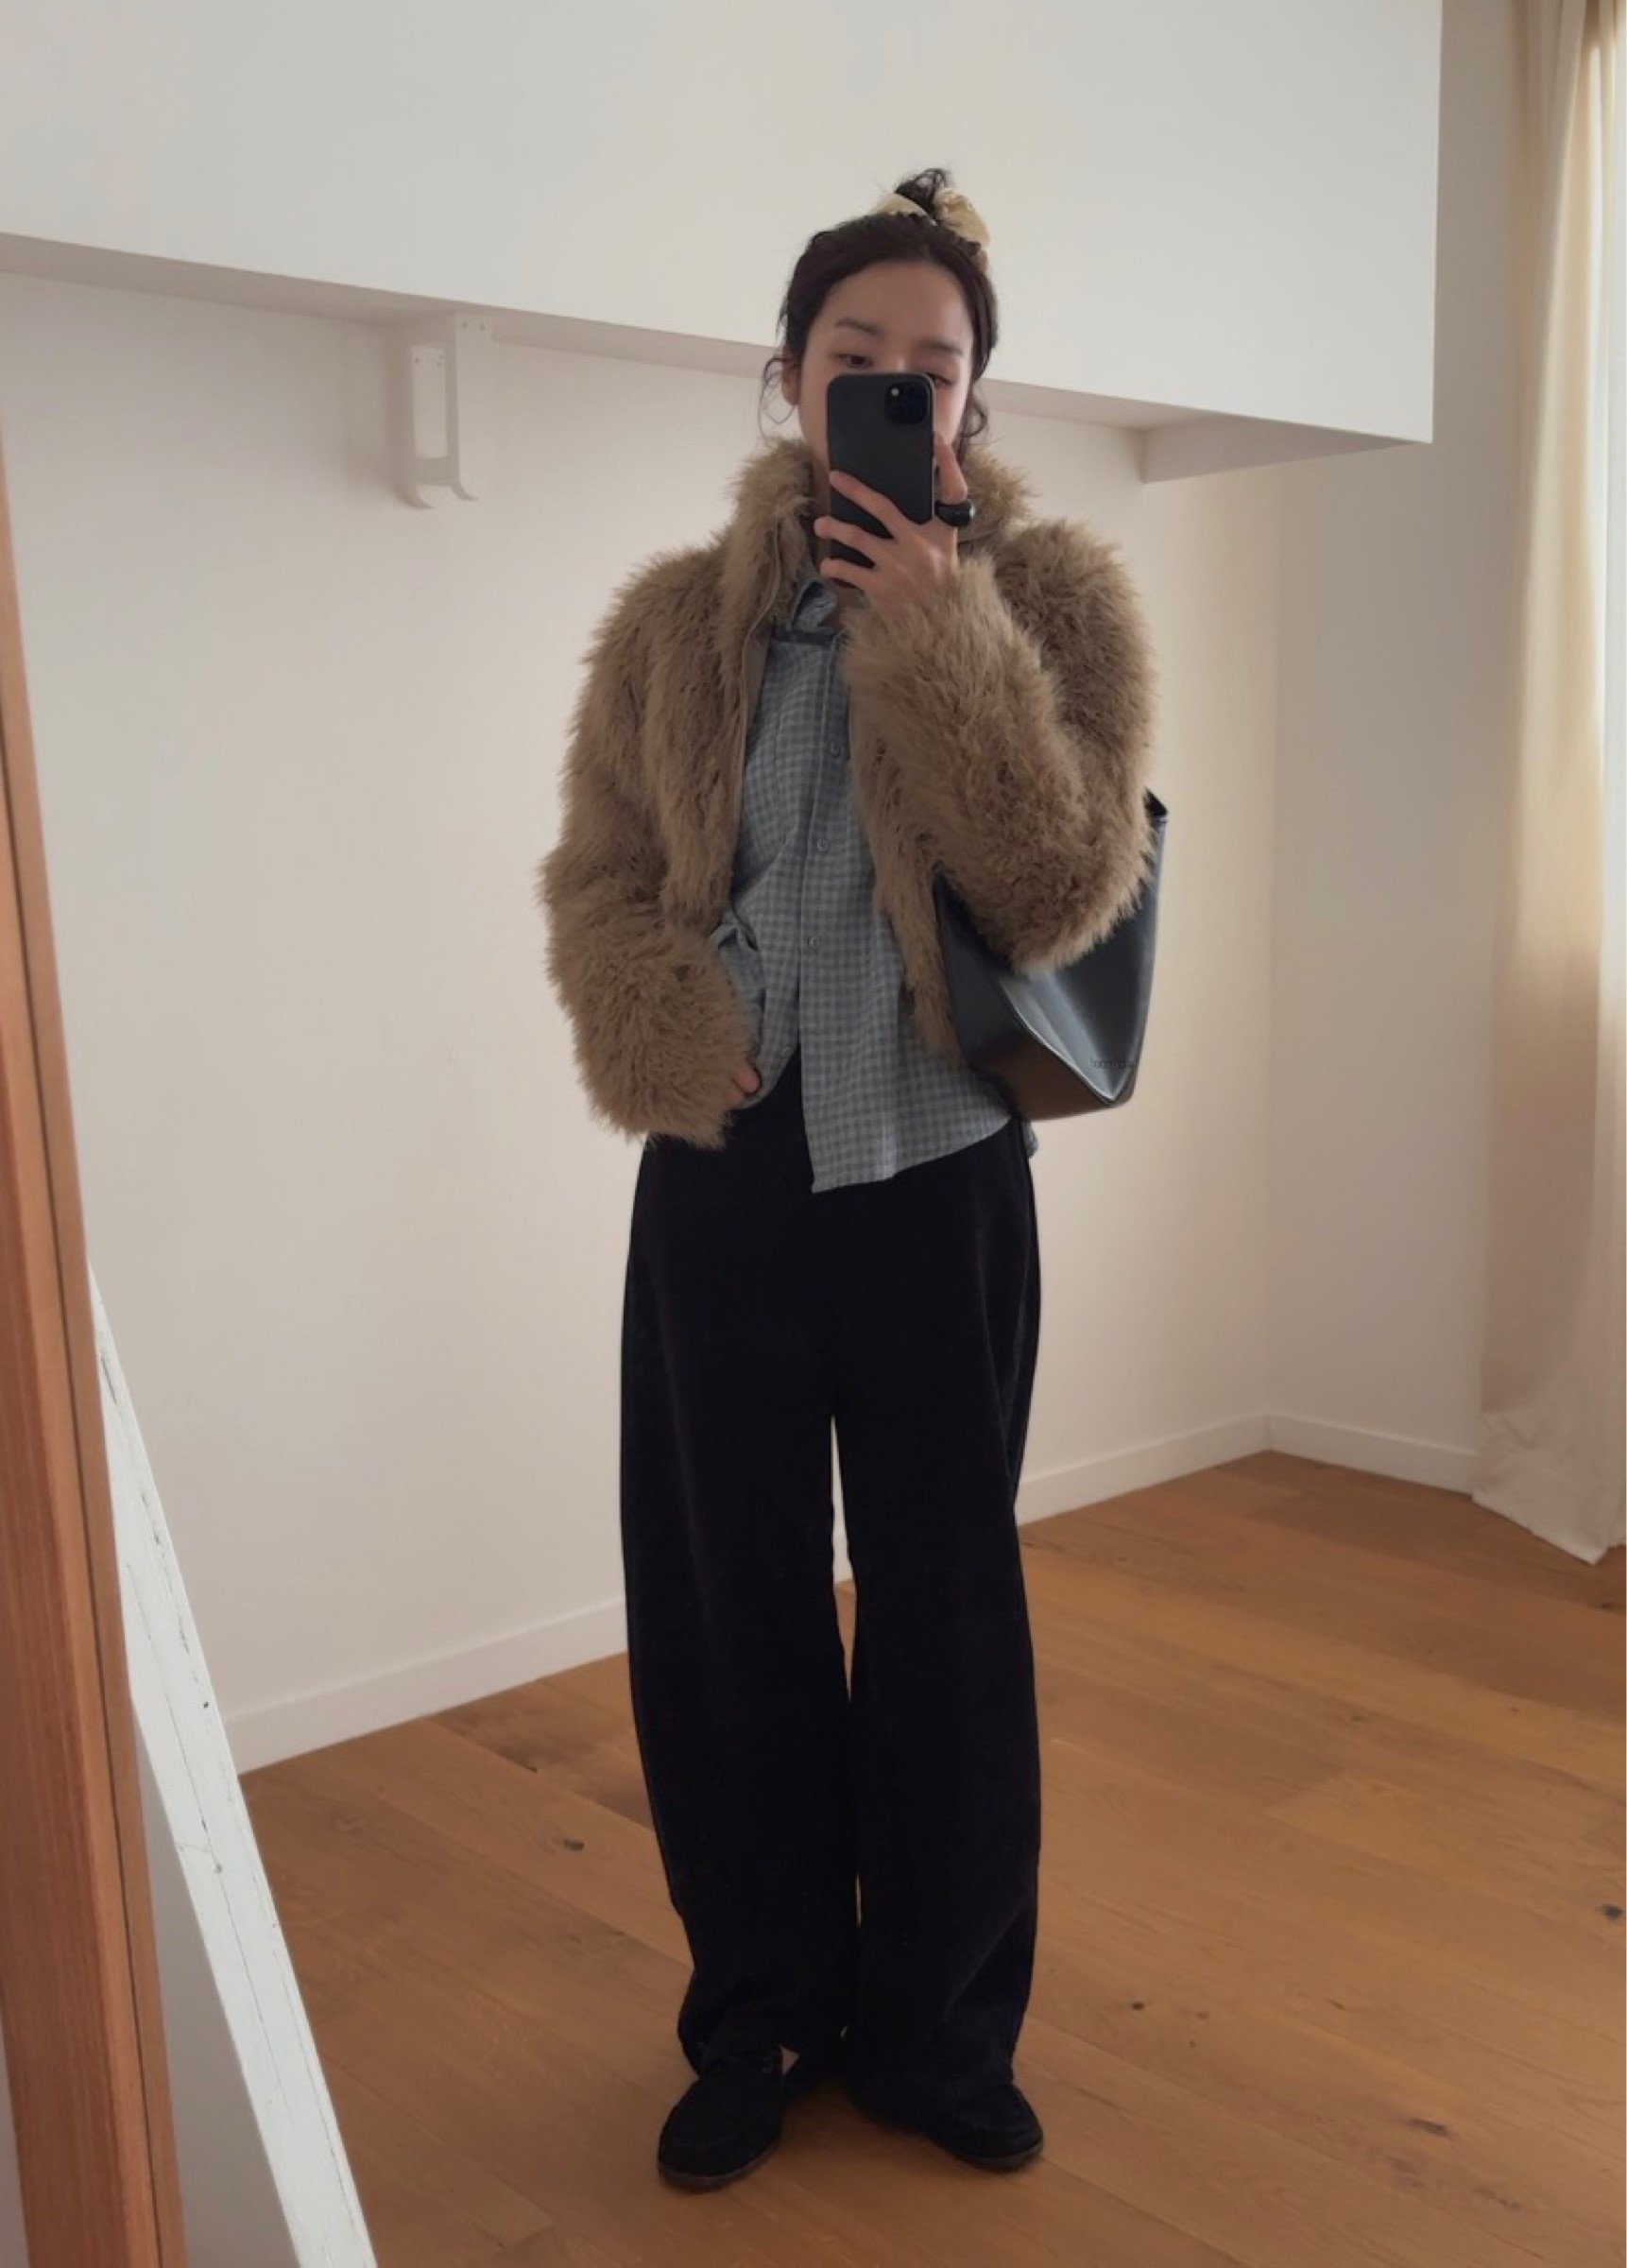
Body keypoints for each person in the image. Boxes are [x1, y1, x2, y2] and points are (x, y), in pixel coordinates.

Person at [537, 167, 1157, 2191]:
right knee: (726, 1610)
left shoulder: (1054, 610)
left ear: (974, 398)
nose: (895, 386)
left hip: (938, 1172)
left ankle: (938, 2032)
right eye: (854, 356)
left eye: (934, 365)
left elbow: (1060, 890)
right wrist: (662, 1016)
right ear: (788, 378)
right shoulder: (670, 628)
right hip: (723, 1173)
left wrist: (941, 632)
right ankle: (761, 2015)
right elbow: (598, 882)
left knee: (947, 1609)